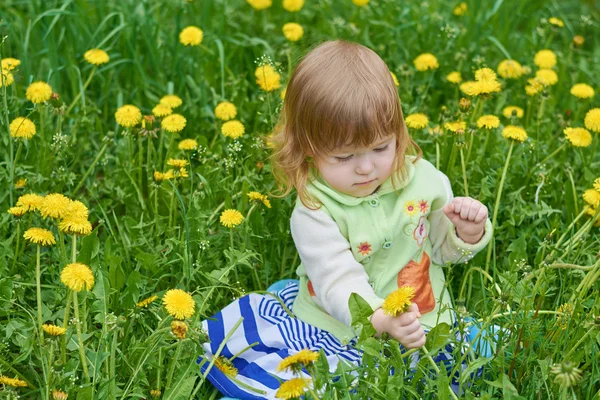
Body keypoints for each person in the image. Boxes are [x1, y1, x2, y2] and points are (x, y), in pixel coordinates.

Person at [198, 40, 493, 399]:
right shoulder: (315, 210)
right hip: (339, 328)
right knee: (315, 385)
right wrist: (377, 319)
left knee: (475, 361)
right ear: (308, 150)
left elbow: (443, 253)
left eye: (381, 148)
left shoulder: (424, 181)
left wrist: (466, 231)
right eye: (344, 157)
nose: (367, 167)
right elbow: (338, 280)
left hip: (424, 321)